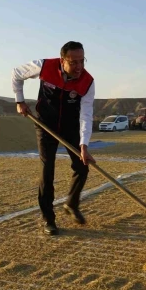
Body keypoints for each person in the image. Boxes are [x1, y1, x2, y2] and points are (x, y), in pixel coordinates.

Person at [12, 41, 96, 235]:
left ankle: (71, 204)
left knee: (82, 166)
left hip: (70, 126)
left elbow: (86, 115)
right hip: (45, 125)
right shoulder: (44, 66)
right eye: (73, 62)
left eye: (82, 61)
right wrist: (20, 100)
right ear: (62, 60)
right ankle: (48, 219)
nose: (79, 67)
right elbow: (16, 73)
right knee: (47, 170)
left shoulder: (87, 82)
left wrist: (84, 145)